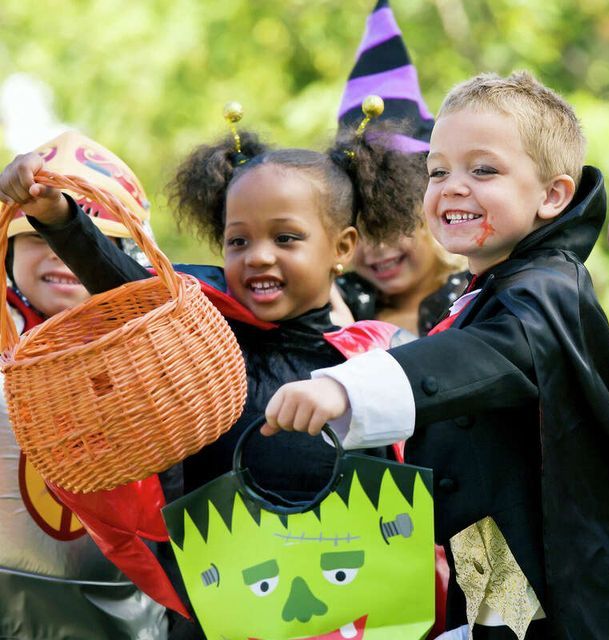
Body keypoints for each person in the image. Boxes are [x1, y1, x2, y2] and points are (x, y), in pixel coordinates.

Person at [261, 71, 609, 640]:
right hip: (503, 589)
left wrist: (345, 388)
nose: (453, 187)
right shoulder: (487, 293)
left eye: (483, 169)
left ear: (552, 196)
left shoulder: (546, 291)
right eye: (437, 171)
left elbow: (489, 353)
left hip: (584, 603)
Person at [0, 123, 420, 638]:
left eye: (286, 238)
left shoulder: (381, 363)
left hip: (353, 614)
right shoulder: (199, 331)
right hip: (211, 614)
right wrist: (58, 218)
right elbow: (125, 287)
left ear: (344, 246)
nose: (258, 255)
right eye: (237, 240)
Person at [0, 131, 166, 638]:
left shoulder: (154, 349)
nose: (58, 255)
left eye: (70, 240)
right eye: (36, 237)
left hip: (130, 610)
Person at [333, 0, 468, 336]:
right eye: (362, 228)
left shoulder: (476, 304)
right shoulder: (335, 306)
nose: (377, 247)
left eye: (391, 223)